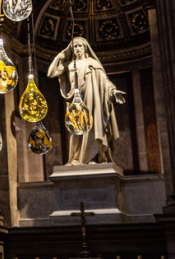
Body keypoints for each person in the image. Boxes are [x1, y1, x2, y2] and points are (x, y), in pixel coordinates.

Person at [47, 37, 126, 165]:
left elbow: (104, 81)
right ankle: (77, 158)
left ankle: (93, 158)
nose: (77, 49)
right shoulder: (69, 65)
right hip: (75, 101)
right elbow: (51, 73)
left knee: (93, 126)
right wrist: (59, 57)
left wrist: (113, 91)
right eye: (75, 47)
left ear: (85, 48)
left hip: (92, 99)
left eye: (80, 46)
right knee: (76, 130)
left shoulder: (92, 63)